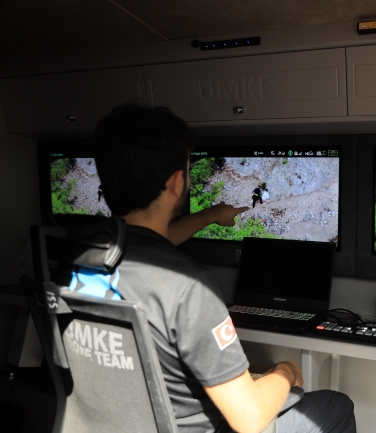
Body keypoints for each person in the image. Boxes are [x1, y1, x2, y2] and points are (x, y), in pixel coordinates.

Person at [92, 104, 356, 433]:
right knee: (336, 405)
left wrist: (211, 215)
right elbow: (248, 418)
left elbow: (152, 239)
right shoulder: (188, 288)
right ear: (177, 182)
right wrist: (285, 372)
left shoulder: (76, 261)